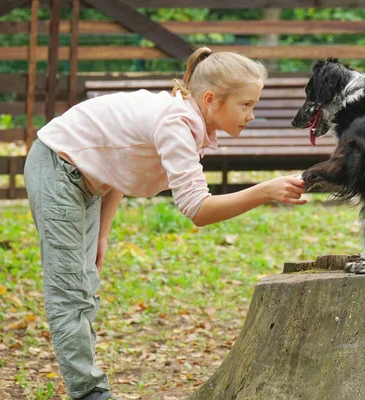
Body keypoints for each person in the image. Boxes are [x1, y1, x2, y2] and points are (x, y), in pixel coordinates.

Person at [23, 46, 306, 400]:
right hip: (57, 169)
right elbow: (197, 210)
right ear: (211, 99)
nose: (252, 115)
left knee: (86, 285)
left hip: (88, 182)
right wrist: (264, 191)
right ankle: (90, 393)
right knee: (70, 291)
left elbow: (118, 166)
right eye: (246, 105)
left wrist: (103, 235)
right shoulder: (175, 123)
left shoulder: (187, 120)